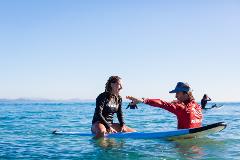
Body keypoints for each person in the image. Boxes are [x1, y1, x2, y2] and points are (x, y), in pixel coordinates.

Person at [126, 82, 203, 129]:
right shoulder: (198, 107)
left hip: (182, 144)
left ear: (185, 93)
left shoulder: (181, 108)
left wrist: (143, 100)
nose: (175, 96)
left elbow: (162, 103)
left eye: (177, 93)